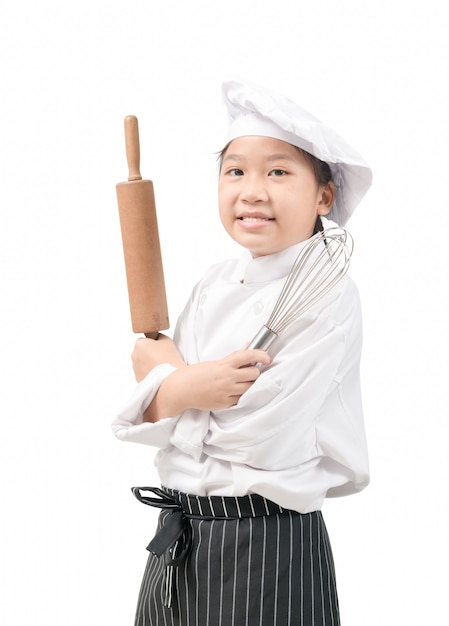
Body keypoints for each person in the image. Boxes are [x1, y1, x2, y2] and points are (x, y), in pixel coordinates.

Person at [112, 78, 372, 626]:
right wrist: (175, 390)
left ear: (324, 195)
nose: (252, 190)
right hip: (180, 538)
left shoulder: (327, 290)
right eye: (236, 171)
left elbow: (259, 436)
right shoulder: (213, 283)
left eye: (277, 171)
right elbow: (153, 413)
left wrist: (174, 387)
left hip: (267, 540)